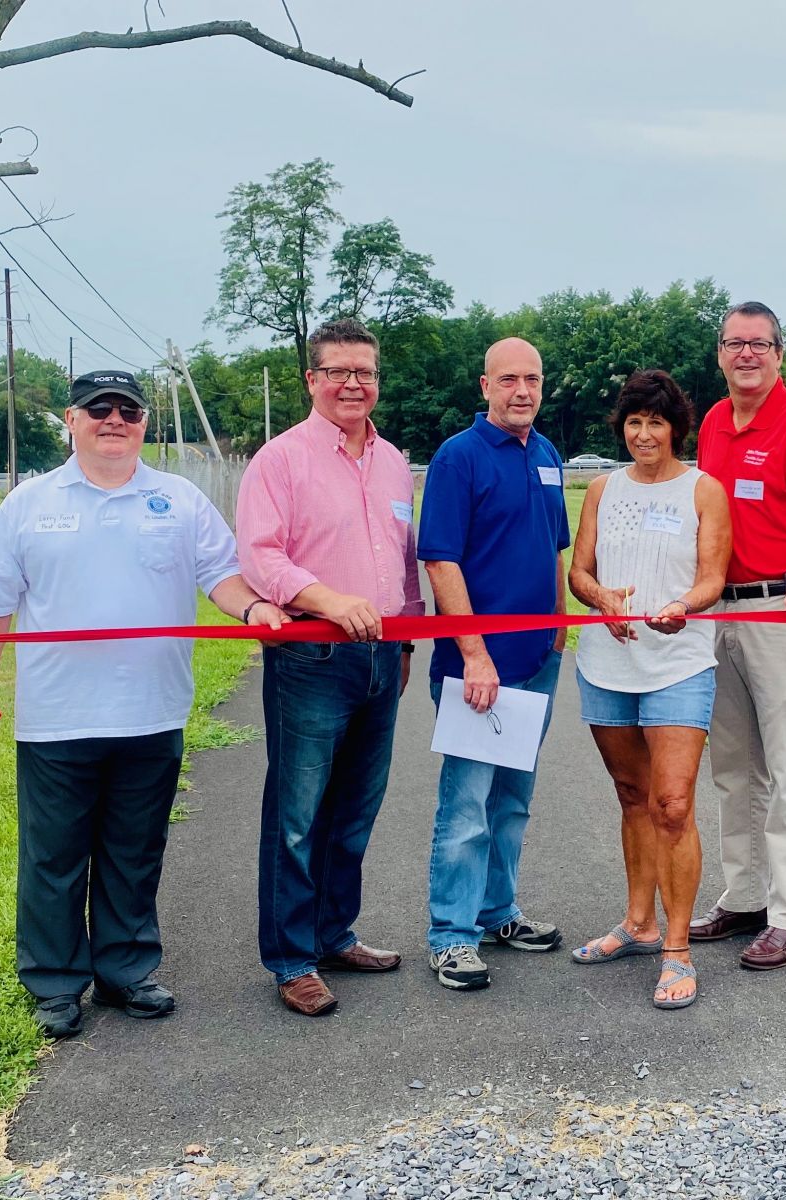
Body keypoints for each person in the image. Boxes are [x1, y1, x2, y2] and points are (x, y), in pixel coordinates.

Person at [0, 369, 283, 1040]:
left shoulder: (180, 499)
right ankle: (53, 981)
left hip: (152, 710)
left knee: (134, 851)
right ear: (71, 421)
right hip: (57, 718)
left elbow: (219, 574)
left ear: (144, 423)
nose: (114, 419)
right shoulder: (28, 503)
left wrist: (251, 605)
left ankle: (125, 971)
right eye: (97, 408)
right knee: (53, 859)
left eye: (127, 410)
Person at [236, 318, 423, 1018]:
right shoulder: (279, 461)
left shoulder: (394, 461)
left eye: (365, 372)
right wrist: (328, 601)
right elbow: (261, 557)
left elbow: (402, 562)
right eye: (338, 371)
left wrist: (401, 643)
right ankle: (290, 959)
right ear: (312, 380)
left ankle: (333, 932)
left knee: (353, 812)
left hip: (378, 658)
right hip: (311, 659)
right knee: (297, 815)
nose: (353, 383)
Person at [688, 301, 786, 970]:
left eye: (759, 344)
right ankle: (744, 895)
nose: (745, 354)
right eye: (734, 344)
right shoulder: (713, 422)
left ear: (779, 354)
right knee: (732, 769)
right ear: (719, 355)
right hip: (717, 611)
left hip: (779, 608)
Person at [567, 369, 731, 1009]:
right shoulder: (603, 489)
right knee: (632, 795)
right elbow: (580, 571)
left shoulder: (704, 489)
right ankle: (637, 924)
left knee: (672, 803)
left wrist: (683, 604)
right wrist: (603, 598)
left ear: (675, 428)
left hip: (679, 662)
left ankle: (677, 948)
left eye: (655, 422)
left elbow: (714, 576)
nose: (643, 433)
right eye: (634, 422)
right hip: (606, 661)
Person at [418, 337, 570, 991]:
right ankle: (451, 936)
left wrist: (560, 631)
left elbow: (552, 547)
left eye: (531, 379)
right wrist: (474, 654)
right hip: (476, 670)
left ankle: (497, 912)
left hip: (537, 662)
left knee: (512, 803)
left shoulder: (546, 454)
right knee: (467, 806)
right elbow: (440, 559)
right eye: (508, 379)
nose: (522, 391)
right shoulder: (459, 457)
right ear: (484, 386)